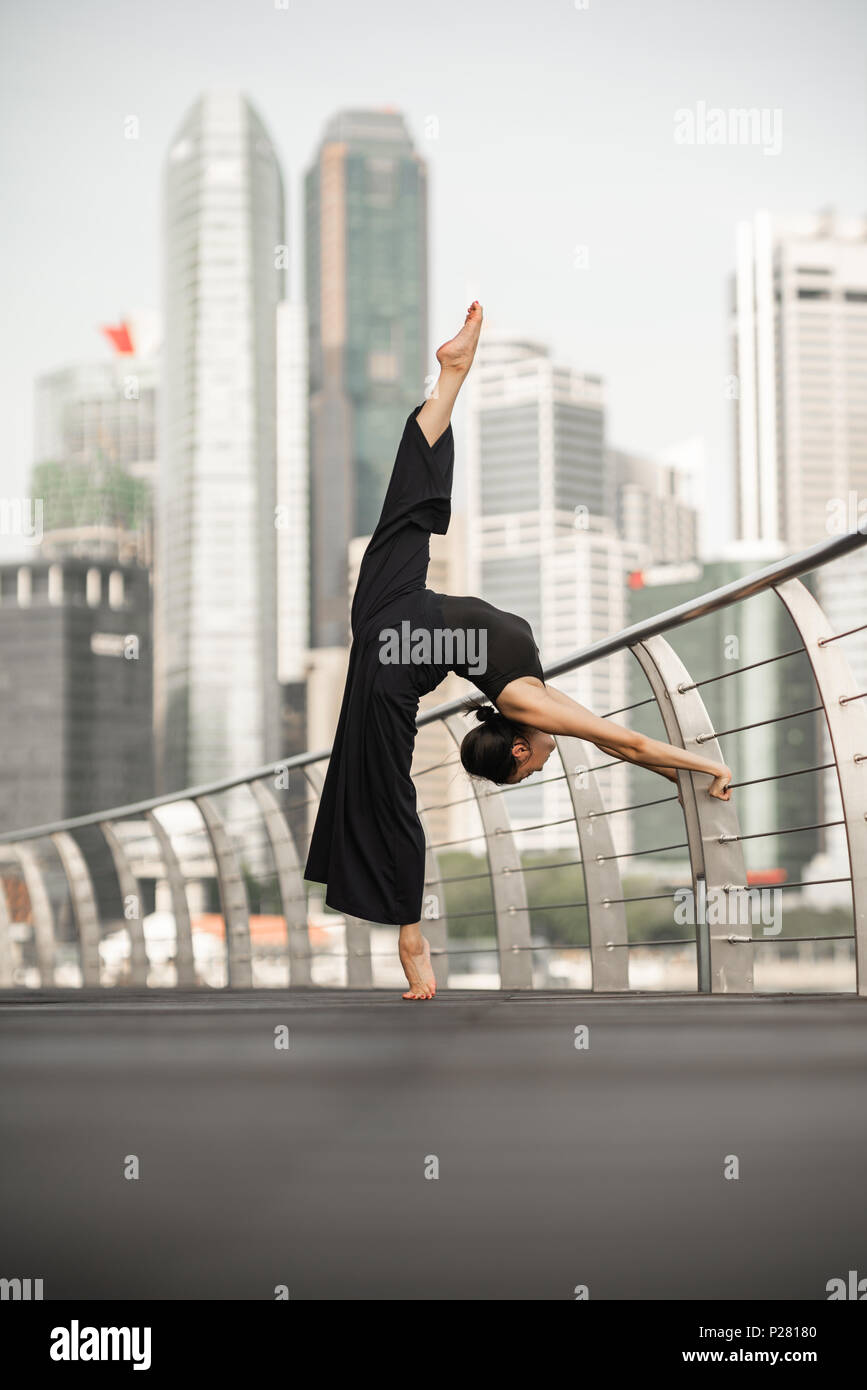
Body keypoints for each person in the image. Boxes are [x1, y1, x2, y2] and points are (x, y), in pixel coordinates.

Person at [305, 303, 732, 1000]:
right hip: (390, 611)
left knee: (386, 796)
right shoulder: (525, 697)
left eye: (525, 774)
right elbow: (622, 743)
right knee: (407, 508)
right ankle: (450, 375)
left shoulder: (523, 700)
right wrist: (687, 768)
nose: (539, 767)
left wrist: (699, 764)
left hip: (393, 642)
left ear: (517, 749)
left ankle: (411, 941)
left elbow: (620, 740)